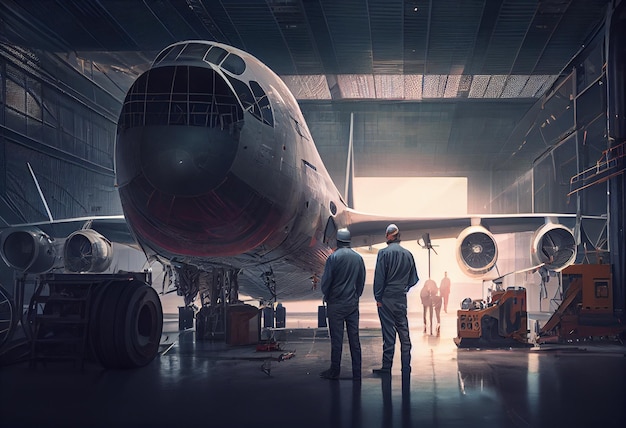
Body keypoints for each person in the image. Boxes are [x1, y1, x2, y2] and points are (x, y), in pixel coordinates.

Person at [319, 228, 366, 380]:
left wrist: (327, 295)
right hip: (352, 304)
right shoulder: (358, 258)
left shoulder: (333, 258)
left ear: (338, 241)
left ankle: (335, 370)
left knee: (337, 339)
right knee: (355, 339)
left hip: (335, 304)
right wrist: (355, 296)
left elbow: (326, 281)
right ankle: (357, 372)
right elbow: (361, 281)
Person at [372, 224, 419, 375]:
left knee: (388, 334)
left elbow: (379, 278)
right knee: (404, 333)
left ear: (389, 236)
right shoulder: (408, 254)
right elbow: (414, 279)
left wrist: (378, 297)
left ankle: (387, 368)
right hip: (400, 299)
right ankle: (406, 367)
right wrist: (403, 289)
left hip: (386, 299)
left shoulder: (383, 253)